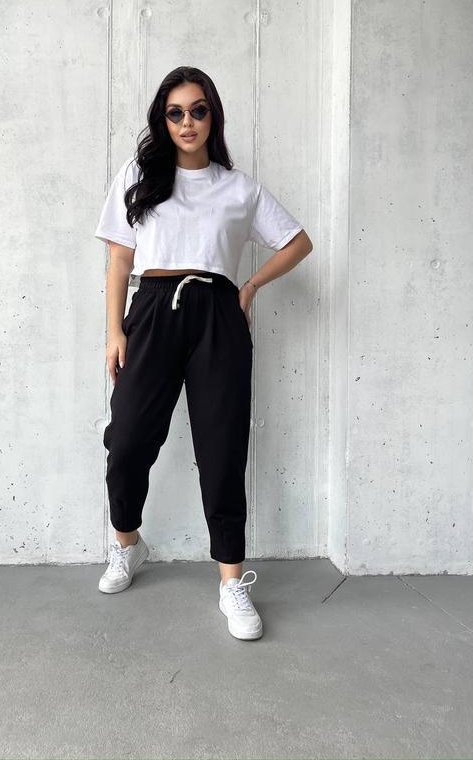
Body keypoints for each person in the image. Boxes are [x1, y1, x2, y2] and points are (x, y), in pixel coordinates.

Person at [94, 66, 313, 640]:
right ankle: (127, 543)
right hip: (152, 311)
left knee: (222, 447)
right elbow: (119, 259)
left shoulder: (239, 188)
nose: (187, 122)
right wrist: (114, 332)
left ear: (213, 116)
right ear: (162, 120)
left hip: (218, 317)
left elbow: (298, 242)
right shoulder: (139, 176)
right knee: (128, 439)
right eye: (175, 113)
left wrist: (250, 284)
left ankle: (231, 581)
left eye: (197, 110)